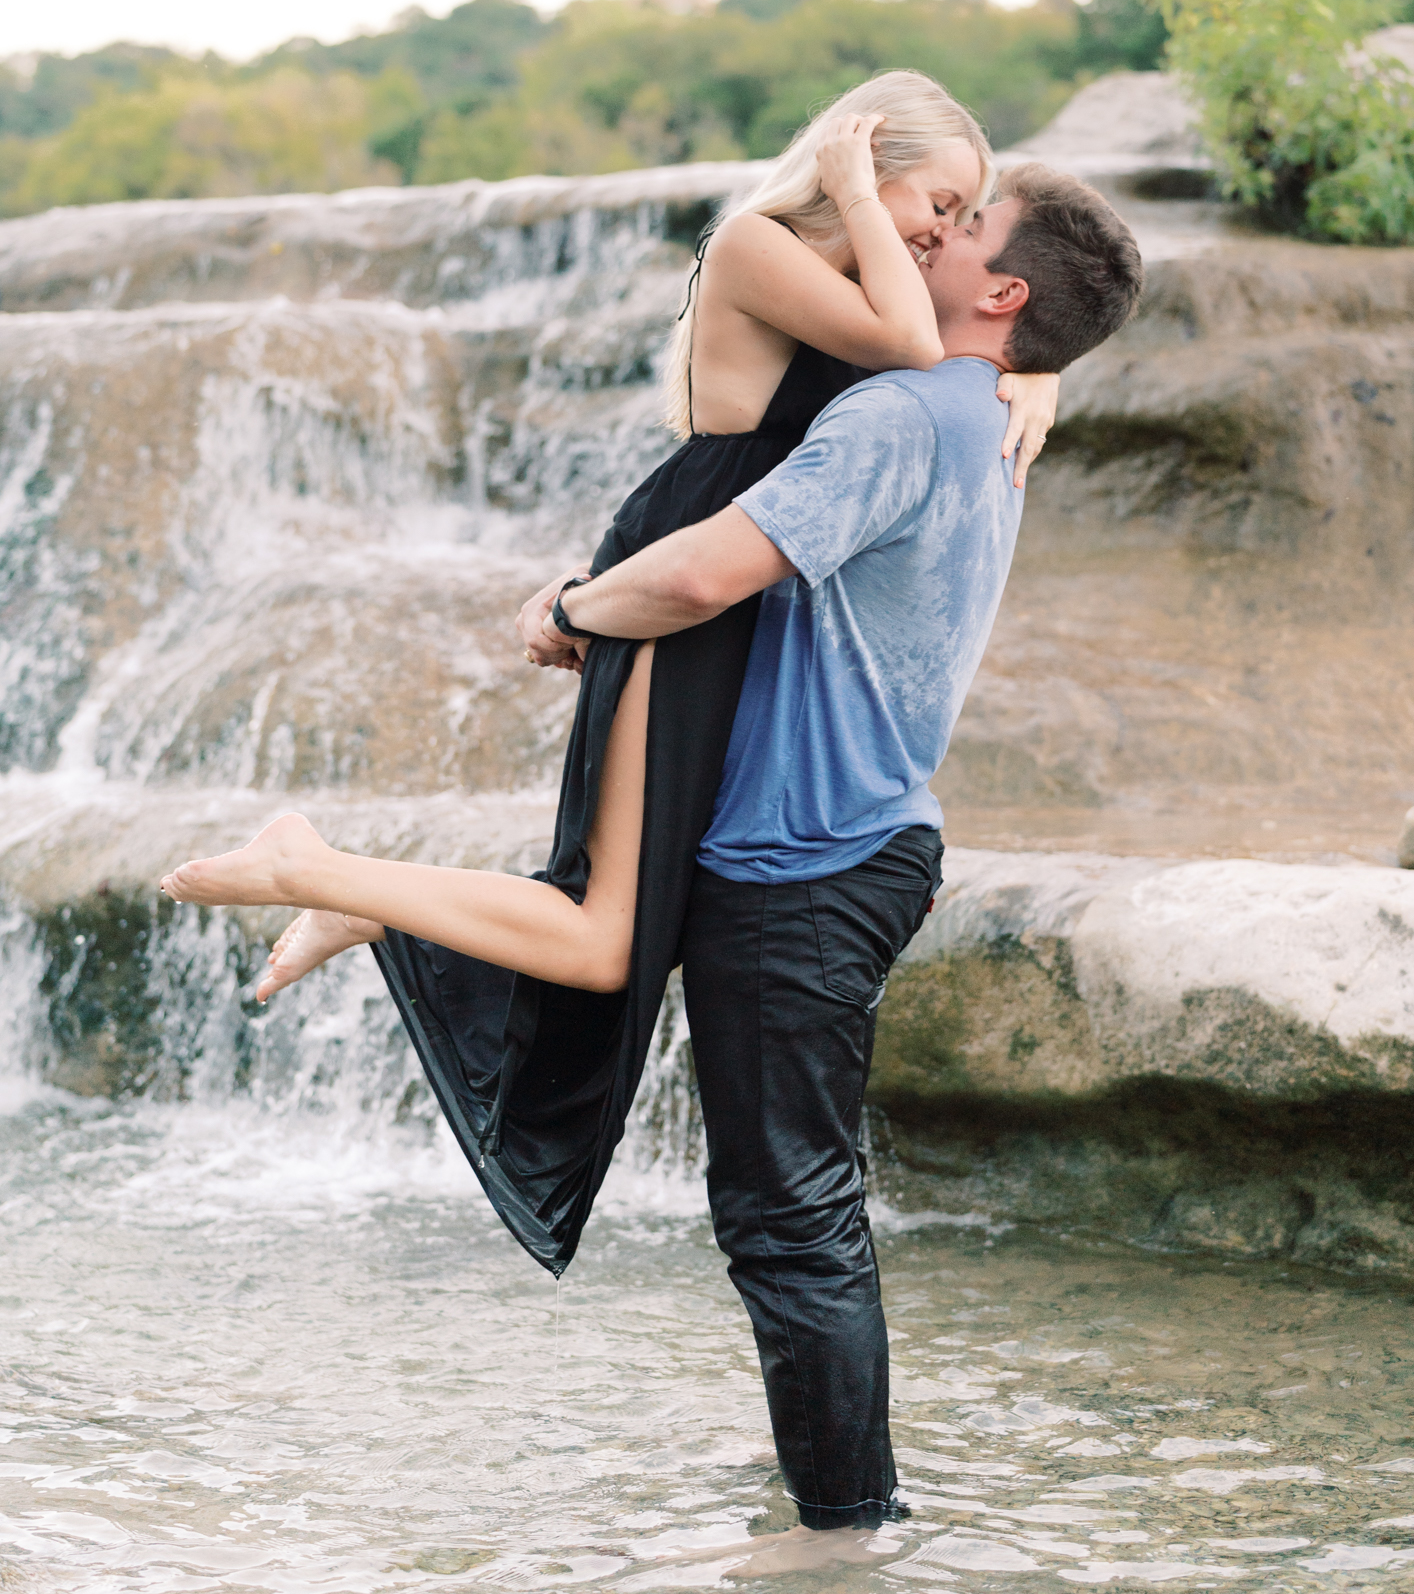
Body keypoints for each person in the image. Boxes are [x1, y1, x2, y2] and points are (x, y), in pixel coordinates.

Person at [162, 162, 1142, 1545]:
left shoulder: (904, 411)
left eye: (962, 226)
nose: (926, 229)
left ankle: (846, 1537)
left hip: (807, 861)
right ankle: (830, 1502)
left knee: (788, 1214)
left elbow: (696, 577)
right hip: (811, 842)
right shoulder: (973, 405)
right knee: (629, 1003)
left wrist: (569, 606)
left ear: (1000, 292)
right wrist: (1034, 369)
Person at [161, 71, 1060, 1278]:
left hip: (742, 595)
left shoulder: (871, 282)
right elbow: (911, 347)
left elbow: (949, 345)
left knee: (637, 925)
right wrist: (850, 190)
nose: (944, 233)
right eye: (936, 199)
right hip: (688, 577)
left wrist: (1039, 370)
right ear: (864, 157)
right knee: (606, 936)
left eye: (964, 220)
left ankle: (364, 903)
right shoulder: (754, 242)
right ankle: (311, 866)